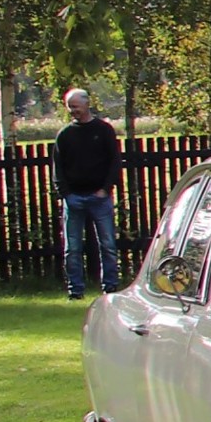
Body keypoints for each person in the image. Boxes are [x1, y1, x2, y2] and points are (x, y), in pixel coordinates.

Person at [52, 88, 124, 298]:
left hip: (99, 197)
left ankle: (110, 287)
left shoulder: (103, 130)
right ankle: (75, 290)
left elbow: (114, 162)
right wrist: (65, 194)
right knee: (72, 248)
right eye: (70, 107)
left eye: (75, 106)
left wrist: (105, 189)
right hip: (73, 198)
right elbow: (58, 168)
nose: (72, 110)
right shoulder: (65, 134)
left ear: (86, 104)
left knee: (108, 245)